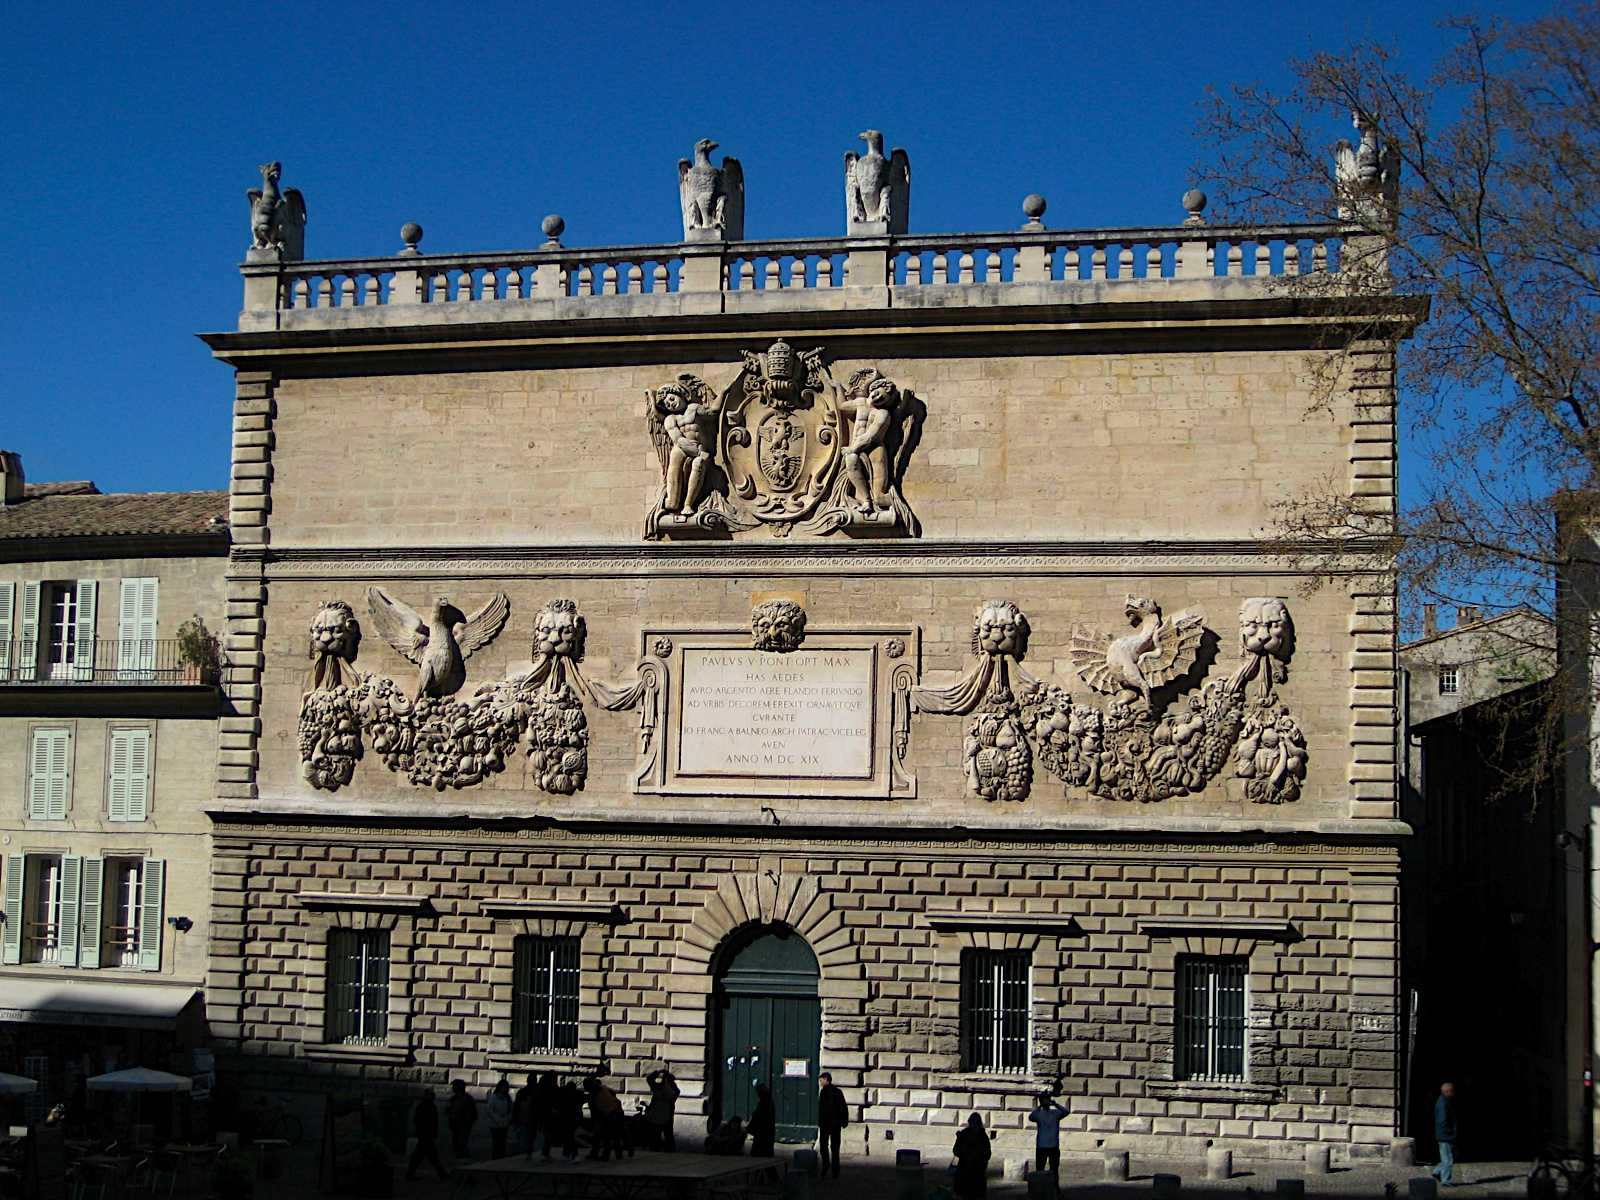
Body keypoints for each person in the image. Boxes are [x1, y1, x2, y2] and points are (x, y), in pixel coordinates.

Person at [406, 1089, 450, 1183]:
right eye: (431, 1095)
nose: (433, 1096)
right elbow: (426, 1121)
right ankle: (442, 1174)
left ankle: (410, 1173)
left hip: (424, 1135)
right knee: (431, 1156)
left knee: (420, 1156)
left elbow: (417, 1121)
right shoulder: (427, 1106)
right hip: (426, 1135)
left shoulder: (423, 1106)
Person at [584, 1075, 624, 1162]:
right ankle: (618, 1154)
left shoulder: (592, 1095)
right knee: (615, 1134)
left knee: (604, 1136)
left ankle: (602, 1154)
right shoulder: (604, 1088)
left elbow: (594, 1111)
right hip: (617, 1111)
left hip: (608, 1114)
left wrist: (594, 1121)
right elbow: (613, 1094)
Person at [952, 1113, 992, 1200]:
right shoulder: (983, 1135)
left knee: (964, 1194)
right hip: (978, 1172)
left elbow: (956, 1151)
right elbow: (987, 1154)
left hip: (964, 1171)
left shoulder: (964, 1134)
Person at [1028, 1092, 1068, 1178]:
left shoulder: (1055, 1113)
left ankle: (1054, 1184)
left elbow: (1066, 1112)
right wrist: (1039, 1107)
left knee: (1054, 1169)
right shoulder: (1039, 1114)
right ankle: (1040, 1184)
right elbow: (1031, 1117)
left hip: (1053, 1145)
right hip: (1042, 1145)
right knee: (1040, 1168)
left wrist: (1056, 1104)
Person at [817, 1072, 849, 1180]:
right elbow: (843, 1107)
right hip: (836, 1124)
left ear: (826, 1080)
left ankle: (826, 1165)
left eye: (821, 1080)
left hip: (826, 1124)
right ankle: (835, 1170)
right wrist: (844, 1121)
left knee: (824, 1146)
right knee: (835, 1148)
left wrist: (820, 1122)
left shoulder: (824, 1092)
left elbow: (822, 1109)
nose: (820, 1082)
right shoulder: (838, 1091)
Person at [646, 1068, 681, 1152]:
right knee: (656, 1134)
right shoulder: (658, 1088)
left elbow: (674, 1095)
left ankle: (669, 1149)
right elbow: (649, 1079)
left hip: (666, 1115)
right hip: (657, 1114)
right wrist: (658, 1072)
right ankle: (656, 1147)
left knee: (668, 1134)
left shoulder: (673, 1091)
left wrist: (667, 1081)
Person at [553, 1080, 584, 1165]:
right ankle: (566, 1154)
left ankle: (574, 1155)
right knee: (568, 1136)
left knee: (569, 1137)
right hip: (572, 1119)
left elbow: (563, 1109)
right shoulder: (577, 1096)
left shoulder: (569, 1098)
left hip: (569, 1119)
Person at [448, 1079, 478, 1162]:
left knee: (462, 1145)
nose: (452, 1088)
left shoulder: (468, 1099)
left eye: (454, 1086)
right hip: (455, 1126)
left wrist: (468, 1121)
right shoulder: (453, 1098)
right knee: (456, 1145)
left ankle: (465, 1162)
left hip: (464, 1126)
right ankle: (459, 1161)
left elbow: (474, 1113)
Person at [1434, 1082, 1458, 1187]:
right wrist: (1449, 1132)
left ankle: (1437, 1171)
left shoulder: (1444, 1101)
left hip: (1443, 1135)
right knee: (1448, 1160)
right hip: (1445, 1136)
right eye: (1452, 1091)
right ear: (1447, 1092)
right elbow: (1442, 1120)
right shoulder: (1443, 1104)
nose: (1453, 1093)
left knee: (1445, 1157)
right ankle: (1446, 1181)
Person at [486, 1078, 513, 1160]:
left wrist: (508, 1119)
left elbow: (511, 1109)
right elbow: (490, 1110)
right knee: (496, 1143)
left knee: (502, 1143)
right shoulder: (493, 1097)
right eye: (502, 1087)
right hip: (495, 1124)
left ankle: (501, 1158)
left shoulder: (507, 1098)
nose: (503, 1089)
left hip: (504, 1123)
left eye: (505, 1087)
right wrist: (497, 1120)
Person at [748, 1084, 776, 1158]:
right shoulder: (769, 1102)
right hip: (766, 1133)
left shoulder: (764, 1103)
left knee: (759, 1153)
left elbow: (760, 1118)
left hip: (762, 1132)